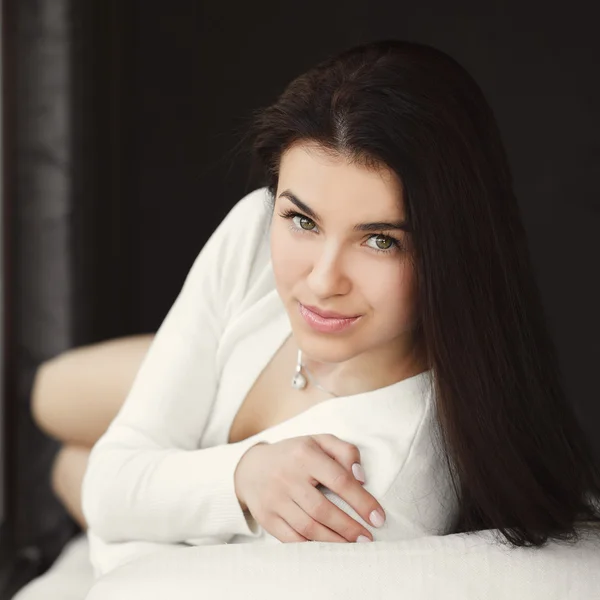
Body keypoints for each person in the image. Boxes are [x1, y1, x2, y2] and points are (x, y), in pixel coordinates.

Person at [33, 39, 600, 583]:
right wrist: (240, 475)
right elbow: (111, 489)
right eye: (303, 221)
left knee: (66, 470)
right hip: (198, 393)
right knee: (47, 394)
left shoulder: (371, 482)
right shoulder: (256, 230)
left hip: (169, 440)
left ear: (453, 251)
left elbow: (130, 561)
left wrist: (137, 488)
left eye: (380, 240)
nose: (323, 282)